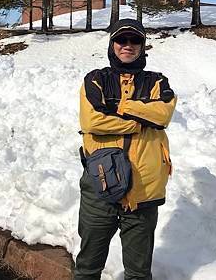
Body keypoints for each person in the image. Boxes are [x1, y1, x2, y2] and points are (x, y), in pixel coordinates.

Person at [75, 18, 177, 280]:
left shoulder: (158, 82)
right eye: (122, 40)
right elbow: (92, 120)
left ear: (143, 46)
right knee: (88, 266)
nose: (128, 45)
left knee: (138, 273)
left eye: (135, 40)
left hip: (145, 190)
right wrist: (138, 123)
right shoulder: (95, 79)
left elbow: (162, 114)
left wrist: (120, 107)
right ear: (112, 44)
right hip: (101, 186)